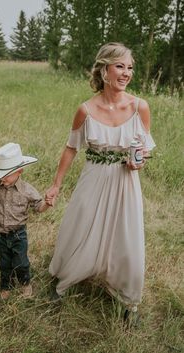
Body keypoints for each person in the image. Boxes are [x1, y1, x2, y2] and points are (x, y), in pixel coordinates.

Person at [45, 42, 156, 321]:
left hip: (125, 183)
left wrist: (139, 160)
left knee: (126, 235)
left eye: (130, 67)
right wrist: (56, 184)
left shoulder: (140, 107)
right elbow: (71, 148)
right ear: (104, 70)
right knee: (80, 226)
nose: (126, 72)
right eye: (120, 66)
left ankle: (128, 300)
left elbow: (144, 149)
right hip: (93, 177)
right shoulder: (85, 110)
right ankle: (66, 280)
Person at [0, 142, 50, 300]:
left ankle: (25, 283)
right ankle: (6, 285)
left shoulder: (27, 190)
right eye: (0, 173)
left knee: (21, 262)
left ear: (19, 171)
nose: (2, 178)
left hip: (18, 234)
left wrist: (47, 203)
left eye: (7, 174)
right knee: (4, 263)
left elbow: (39, 207)